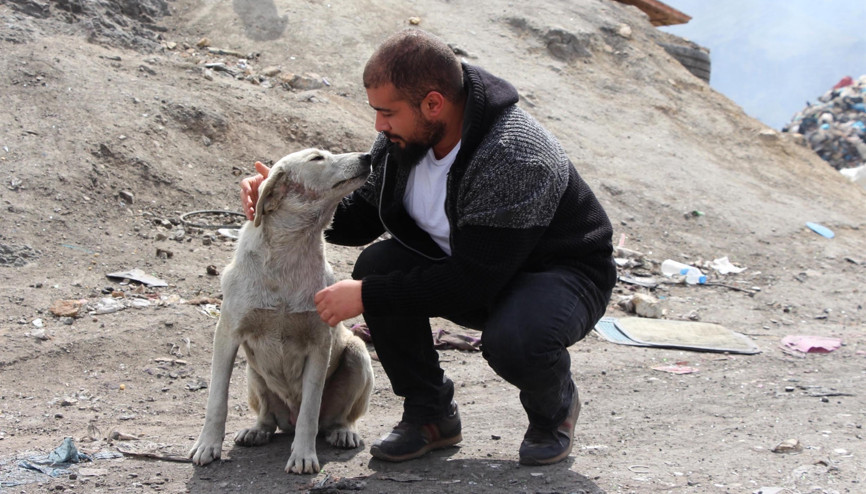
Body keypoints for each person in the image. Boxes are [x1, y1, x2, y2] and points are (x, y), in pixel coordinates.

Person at [240, 28, 616, 466]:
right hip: (474, 266)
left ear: (433, 103)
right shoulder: (405, 138)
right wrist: (287, 201)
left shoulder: (514, 156)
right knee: (377, 265)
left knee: (515, 338)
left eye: (387, 113)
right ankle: (431, 416)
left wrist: (366, 297)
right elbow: (361, 218)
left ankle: (555, 411)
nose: (379, 126)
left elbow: (473, 283)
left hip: (561, 276)